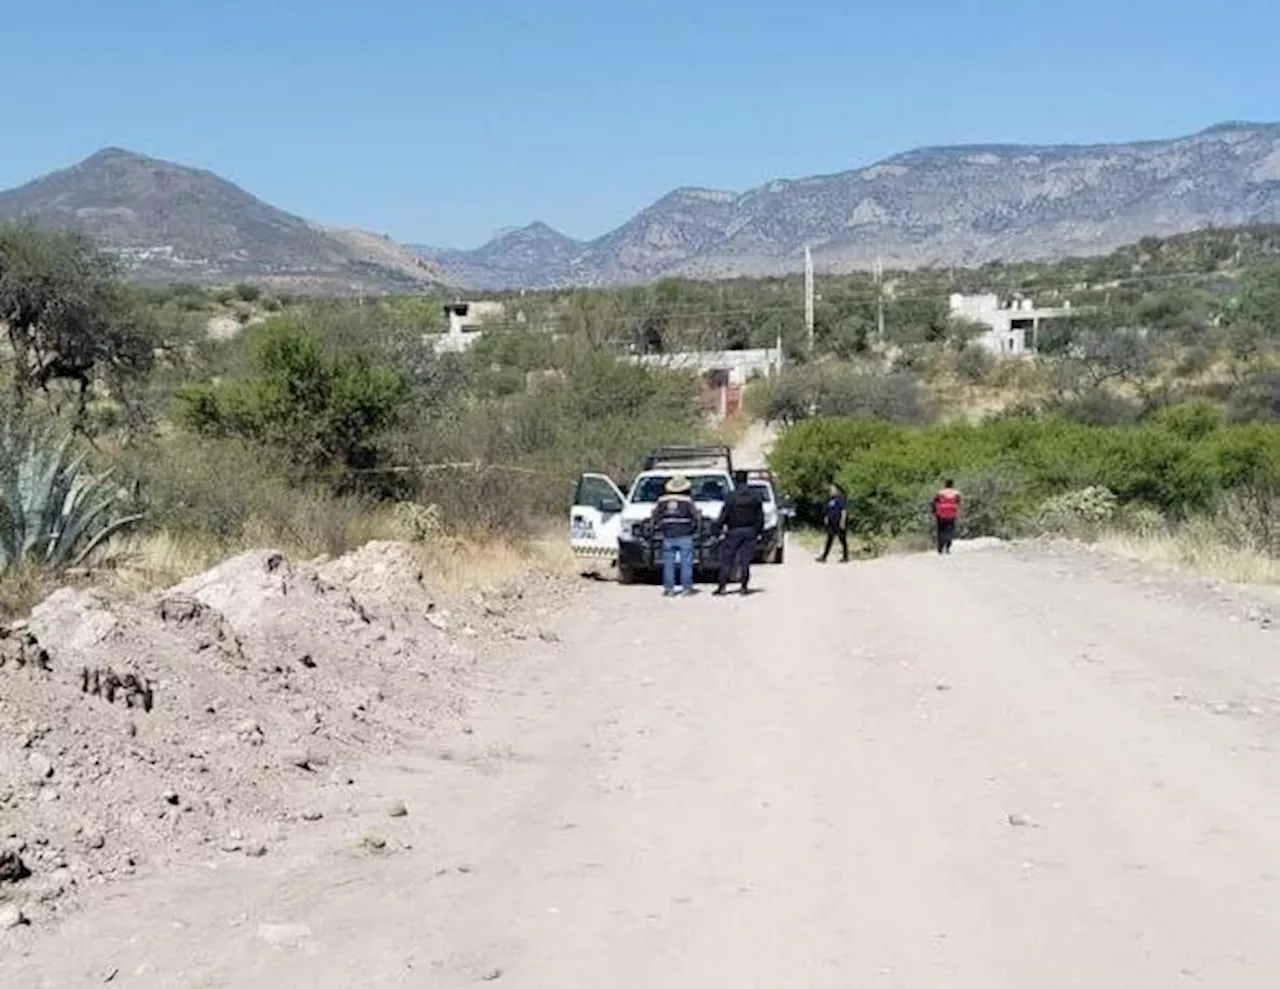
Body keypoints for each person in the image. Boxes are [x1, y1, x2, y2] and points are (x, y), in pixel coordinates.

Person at [715, 478, 765, 596]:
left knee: (727, 559)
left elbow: (724, 515)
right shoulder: (755, 497)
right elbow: (760, 517)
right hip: (750, 531)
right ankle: (743, 587)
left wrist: (717, 529)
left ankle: (722, 587)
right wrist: (758, 531)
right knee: (745, 560)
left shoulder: (731, 497)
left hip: (733, 531)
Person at [651, 475, 698, 596]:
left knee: (668, 563)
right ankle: (686, 588)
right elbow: (695, 517)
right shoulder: (688, 501)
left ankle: (669, 589)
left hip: (668, 535)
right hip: (685, 535)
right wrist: (692, 529)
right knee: (686, 562)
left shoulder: (662, 501)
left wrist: (661, 528)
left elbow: (655, 517)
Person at [817, 482, 849, 563]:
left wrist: (843, 521)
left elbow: (844, 511)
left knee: (842, 540)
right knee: (829, 539)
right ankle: (824, 557)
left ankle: (845, 557)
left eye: (832, 489)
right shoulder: (830, 500)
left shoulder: (841, 498)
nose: (830, 491)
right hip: (831, 523)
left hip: (838, 522)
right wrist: (826, 517)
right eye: (830, 489)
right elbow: (828, 510)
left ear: (837, 490)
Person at [931, 479, 962, 554]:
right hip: (952, 513)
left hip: (941, 513)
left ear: (945, 485)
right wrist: (958, 513)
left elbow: (933, 502)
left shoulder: (940, 492)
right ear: (952, 485)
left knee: (940, 530)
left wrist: (934, 511)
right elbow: (959, 503)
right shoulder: (956, 493)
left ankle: (940, 548)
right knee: (950, 530)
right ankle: (948, 547)